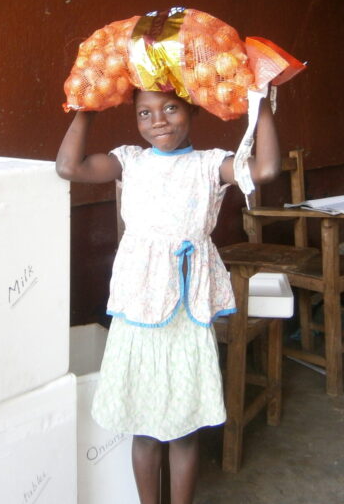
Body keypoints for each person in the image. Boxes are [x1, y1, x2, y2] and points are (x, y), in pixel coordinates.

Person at [55, 88, 280, 504]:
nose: (158, 120)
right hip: (139, 303)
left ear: (191, 108)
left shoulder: (209, 164)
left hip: (187, 307)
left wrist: (260, 103)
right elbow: (69, 166)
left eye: (170, 108)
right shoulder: (130, 160)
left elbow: (264, 169)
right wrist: (86, 106)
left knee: (185, 429)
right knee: (143, 428)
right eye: (145, 113)